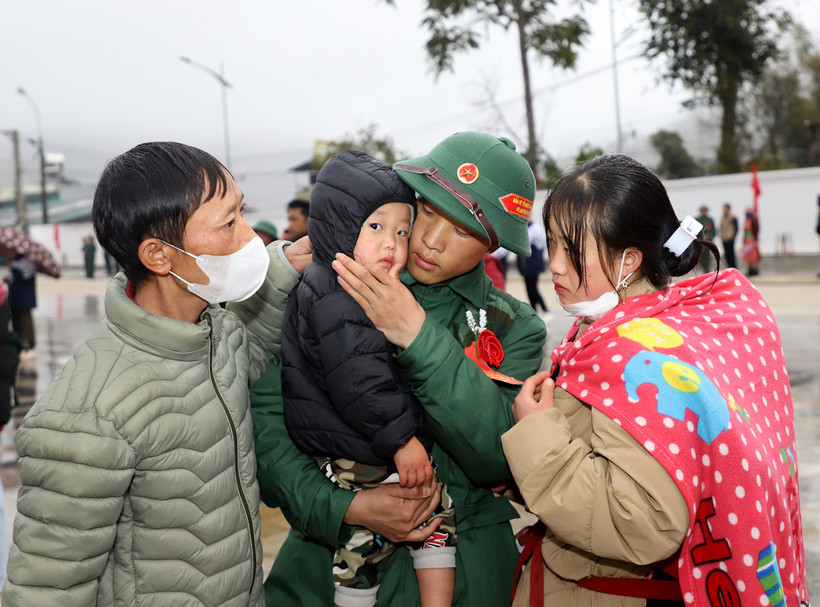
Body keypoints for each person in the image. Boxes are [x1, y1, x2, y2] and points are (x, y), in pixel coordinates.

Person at [2, 141, 311, 606]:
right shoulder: (88, 414)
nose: (250, 238)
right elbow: (47, 589)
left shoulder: (211, 331)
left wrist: (284, 268)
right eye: (229, 224)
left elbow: (241, 357)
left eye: (242, 213)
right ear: (159, 256)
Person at [254, 131, 547, 606]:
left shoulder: (513, 326)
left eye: (464, 230)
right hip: (327, 562)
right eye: (428, 210)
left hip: (462, 573)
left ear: (494, 244)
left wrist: (416, 334)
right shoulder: (336, 280)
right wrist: (346, 506)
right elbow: (269, 423)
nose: (431, 240)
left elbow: (495, 454)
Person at [501, 154, 808, 606]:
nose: (557, 266)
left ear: (629, 260)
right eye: (552, 245)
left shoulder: (627, 351)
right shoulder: (668, 319)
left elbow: (643, 523)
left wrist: (536, 432)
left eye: (572, 249)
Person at [282, 149, 457, 607]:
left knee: (367, 548)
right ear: (339, 225)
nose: (393, 244)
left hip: (357, 441)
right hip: (362, 449)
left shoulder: (345, 285)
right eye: (376, 227)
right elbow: (360, 380)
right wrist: (403, 441)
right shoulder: (338, 294)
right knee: (423, 521)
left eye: (402, 231)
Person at [5, 254, 36, 353]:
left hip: (24, 298)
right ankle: (19, 343)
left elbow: (25, 277)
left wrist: (15, 269)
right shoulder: (16, 262)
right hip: (15, 298)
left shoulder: (28, 263)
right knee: (16, 322)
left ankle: (30, 345)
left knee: (25, 321)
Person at [516, 218, 548, 314]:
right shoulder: (525, 228)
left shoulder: (535, 228)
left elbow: (528, 241)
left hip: (533, 264)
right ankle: (536, 307)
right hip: (525, 265)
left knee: (533, 287)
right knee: (529, 288)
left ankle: (541, 307)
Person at [695, 204, 715, 273]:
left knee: (706, 258)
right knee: (699, 257)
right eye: (702, 211)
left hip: (707, 242)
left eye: (705, 211)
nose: (704, 212)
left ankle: (706, 271)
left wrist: (709, 236)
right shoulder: (697, 219)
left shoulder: (709, 220)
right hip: (699, 242)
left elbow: (713, 230)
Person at [741, 207, 761, 276]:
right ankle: (749, 270)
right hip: (747, 240)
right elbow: (745, 232)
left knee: (754, 256)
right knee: (748, 256)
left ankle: (755, 270)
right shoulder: (746, 221)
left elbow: (756, 230)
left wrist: (755, 240)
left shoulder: (754, 221)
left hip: (752, 240)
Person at [720, 202, 738, 269]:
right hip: (724, 237)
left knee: (731, 254)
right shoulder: (723, 217)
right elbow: (721, 227)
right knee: (726, 255)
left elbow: (736, 227)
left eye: (725, 208)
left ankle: (734, 267)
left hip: (730, 238)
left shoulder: (732, 217)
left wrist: (733, 237)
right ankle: (729, 267)